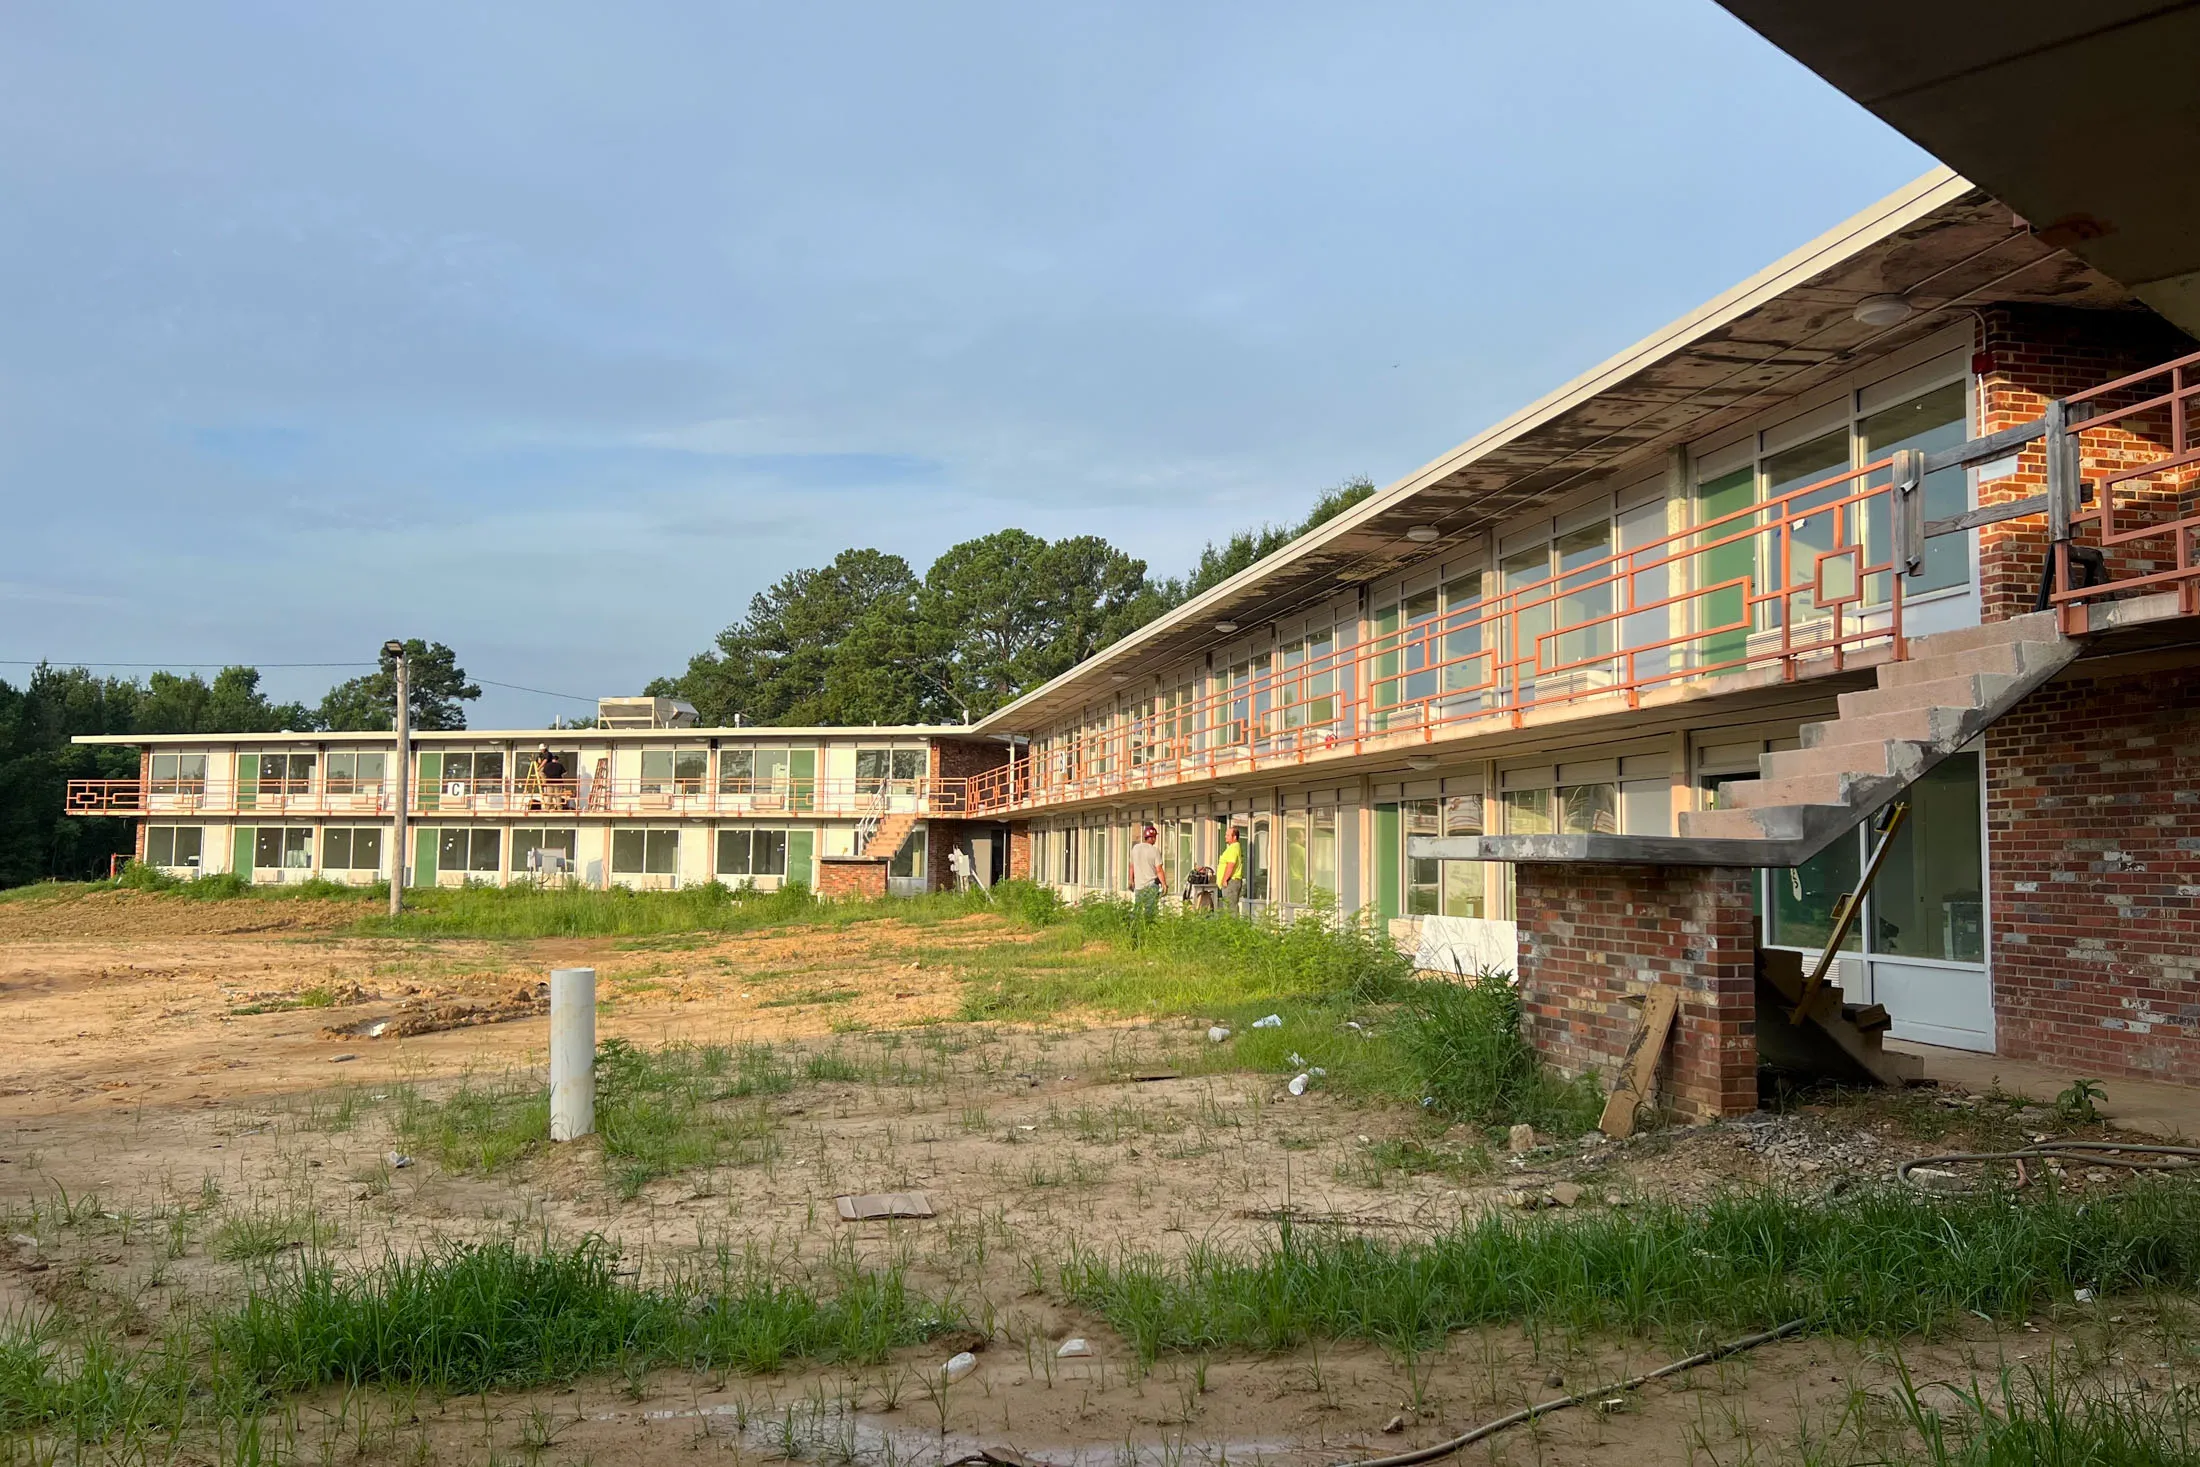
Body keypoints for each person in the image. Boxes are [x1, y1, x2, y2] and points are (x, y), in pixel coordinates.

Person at [1128, 824, 1166, 918]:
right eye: (1155, 837)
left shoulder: (1135, 848)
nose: (1155, 839)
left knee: (1137, 909)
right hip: (1151, 885)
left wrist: (1131, 880)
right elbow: (1159, 870)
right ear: (1152, 838)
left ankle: (1133, 928)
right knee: (1150, 910)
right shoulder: (1155, 850)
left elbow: (1132, 866)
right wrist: (1164, 884)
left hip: (1139, 885)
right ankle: (1148, 929)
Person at [1216, 826, 1246, 915]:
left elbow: (1231, 865)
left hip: (1231, 882)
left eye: (1228, 835)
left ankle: (1233, 927)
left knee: (1230, 909)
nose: (1225, 836)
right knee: (1228, 908)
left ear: (1234, 837)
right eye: (1226, 835)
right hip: (1231, 881)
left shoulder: (1233, 848)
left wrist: (1225, 879)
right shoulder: (1233, 847)